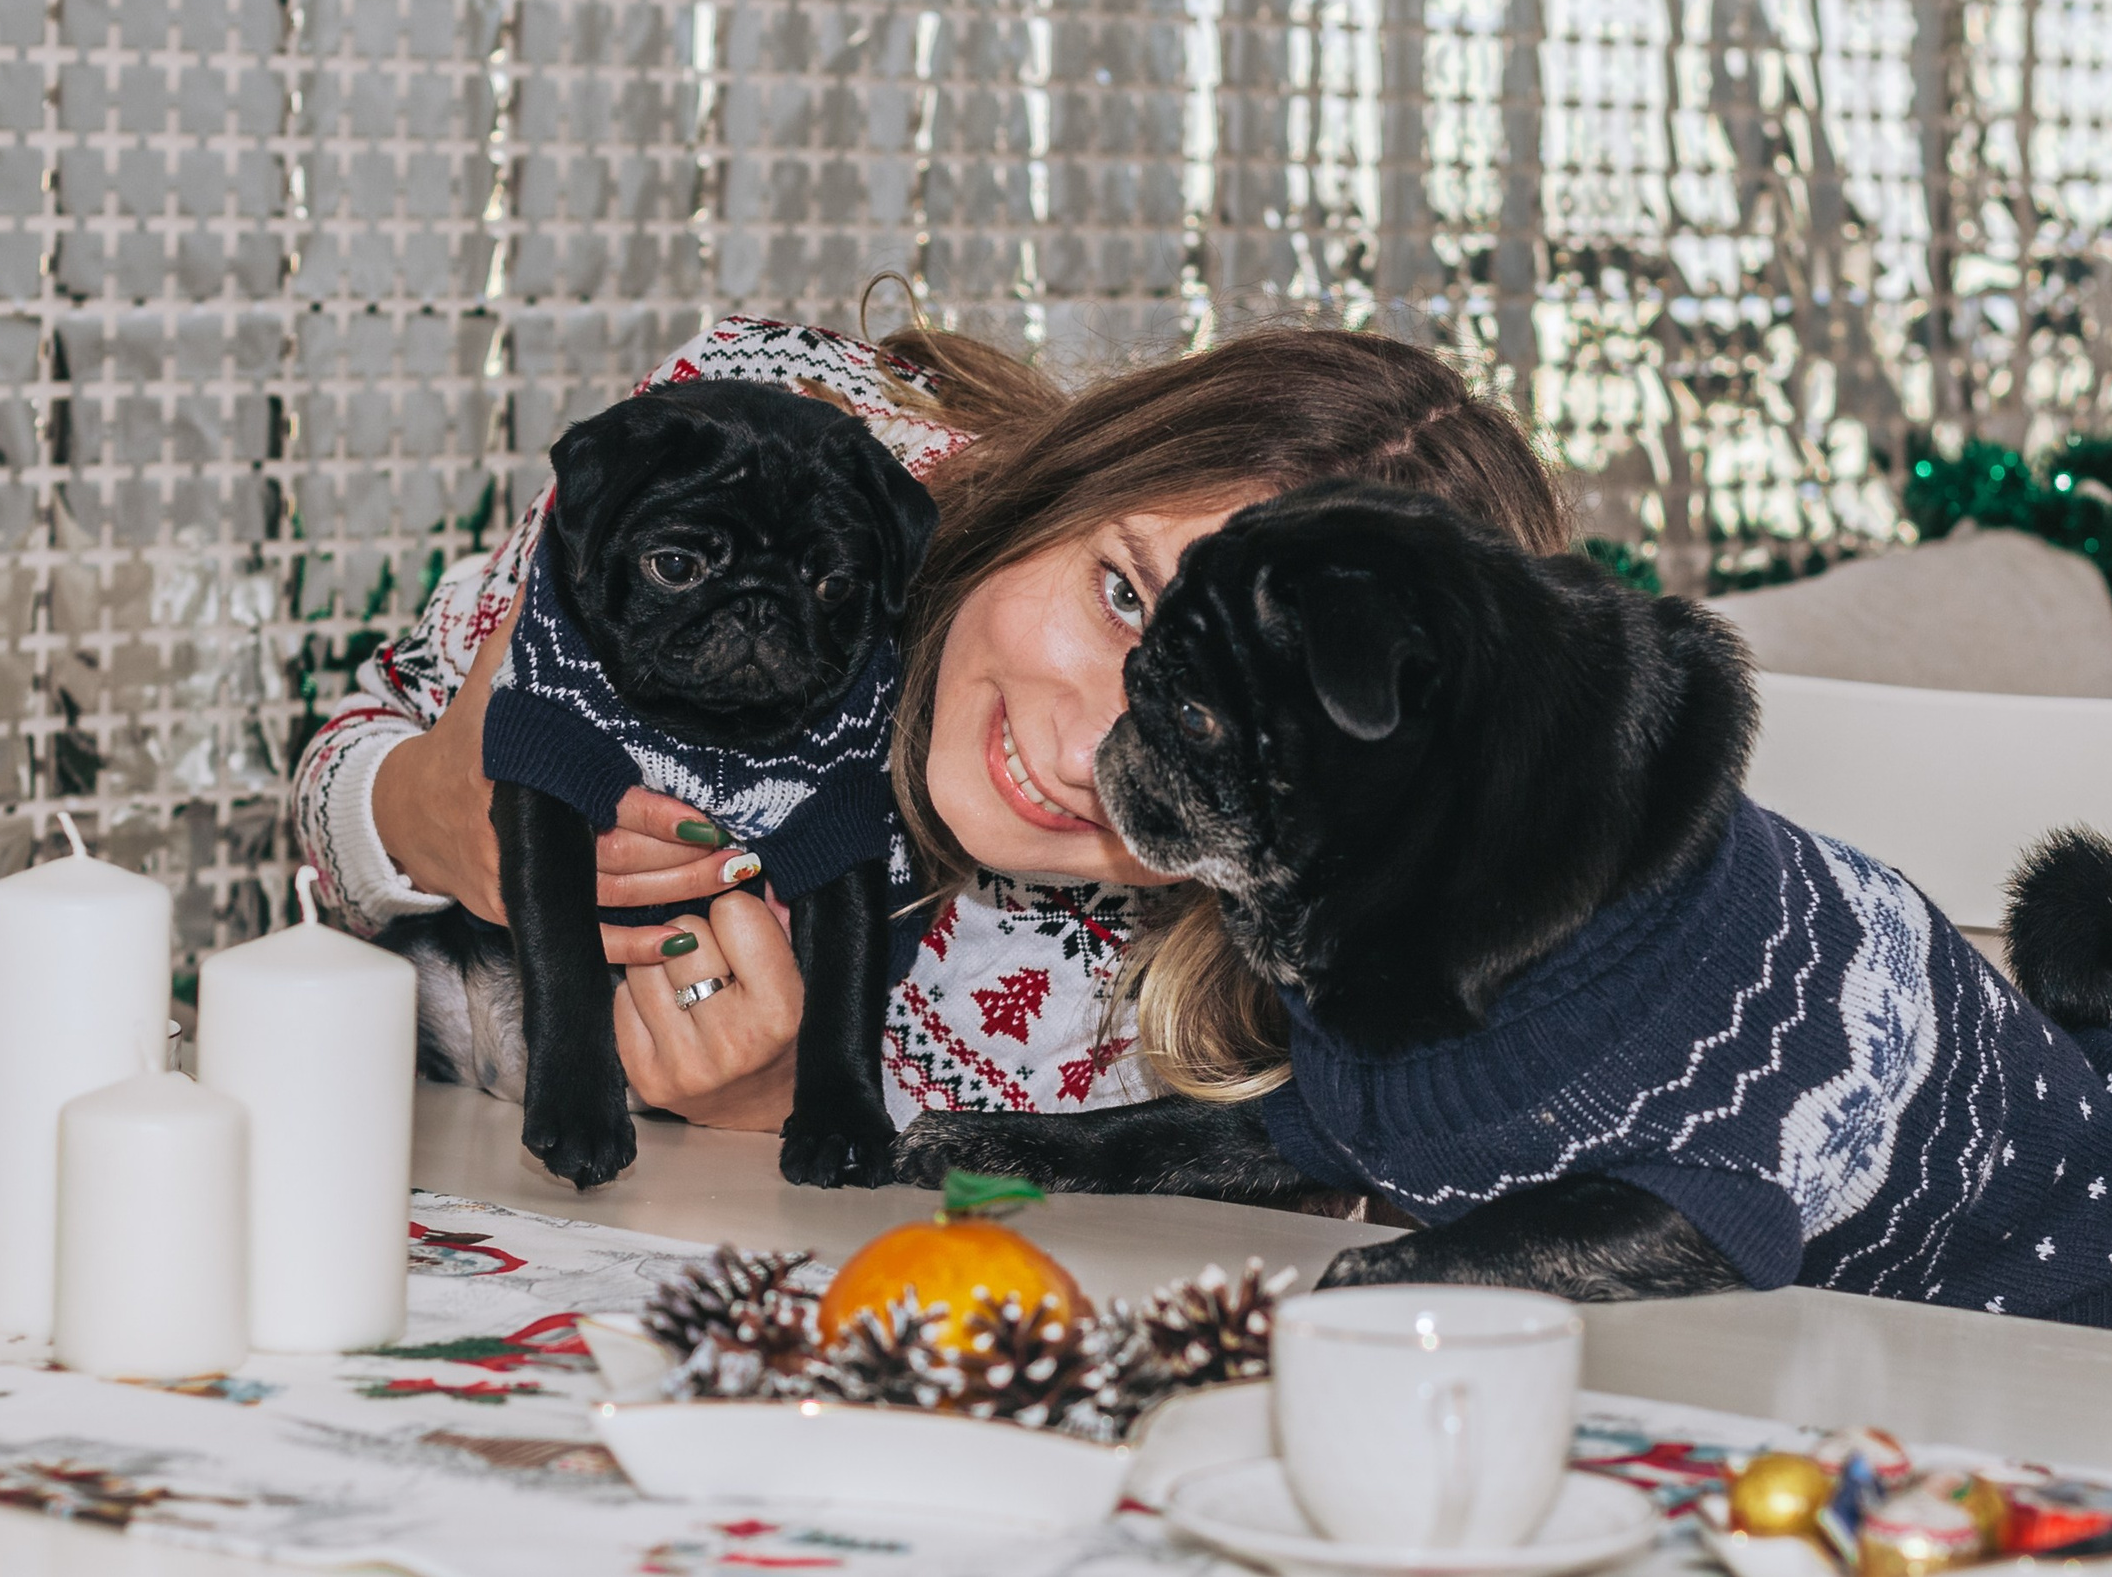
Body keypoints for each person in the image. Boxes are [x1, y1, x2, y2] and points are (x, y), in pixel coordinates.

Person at [291, 309, 1570, 1135]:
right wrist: (421, 810)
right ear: (1080, 472)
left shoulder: (1217, 1014)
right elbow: (347, 759)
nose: (1083, 759)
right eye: (1122, 594)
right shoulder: (760, 452)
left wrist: (775, 1104)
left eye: (1229, 730)